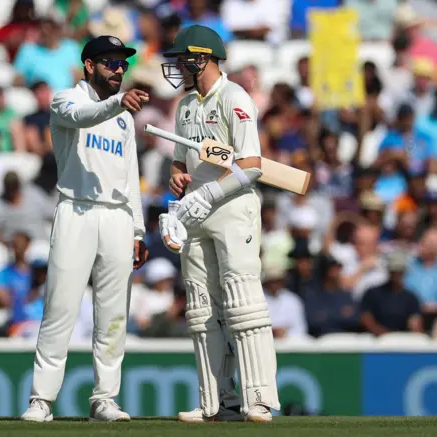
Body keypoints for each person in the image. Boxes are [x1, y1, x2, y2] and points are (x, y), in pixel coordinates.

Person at [21, 35, 149, 423]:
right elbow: (82, 117)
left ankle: (104, 399)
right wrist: (115, 104)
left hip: (117, 216)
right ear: (89, 66)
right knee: (60, 308)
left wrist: (139, 230)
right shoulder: (66, 100)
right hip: (75, 209)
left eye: (123, 63)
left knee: (112, 314)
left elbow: (130, 176)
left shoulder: (125, 118)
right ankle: (41, 400)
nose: (119, 70)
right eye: (110, 62)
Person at [158, 25, 279, 422]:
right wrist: (178, 176)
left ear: (201, 57)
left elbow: (252, 166)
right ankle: (216, 403)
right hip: (194, 211)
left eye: (181, 59)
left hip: (232, 209)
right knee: (201, 306)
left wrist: (207, 194)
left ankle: (258, 398)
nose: (176, 65)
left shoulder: (235, 97)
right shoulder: (185, 106)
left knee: (242, 304)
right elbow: (182, 160)